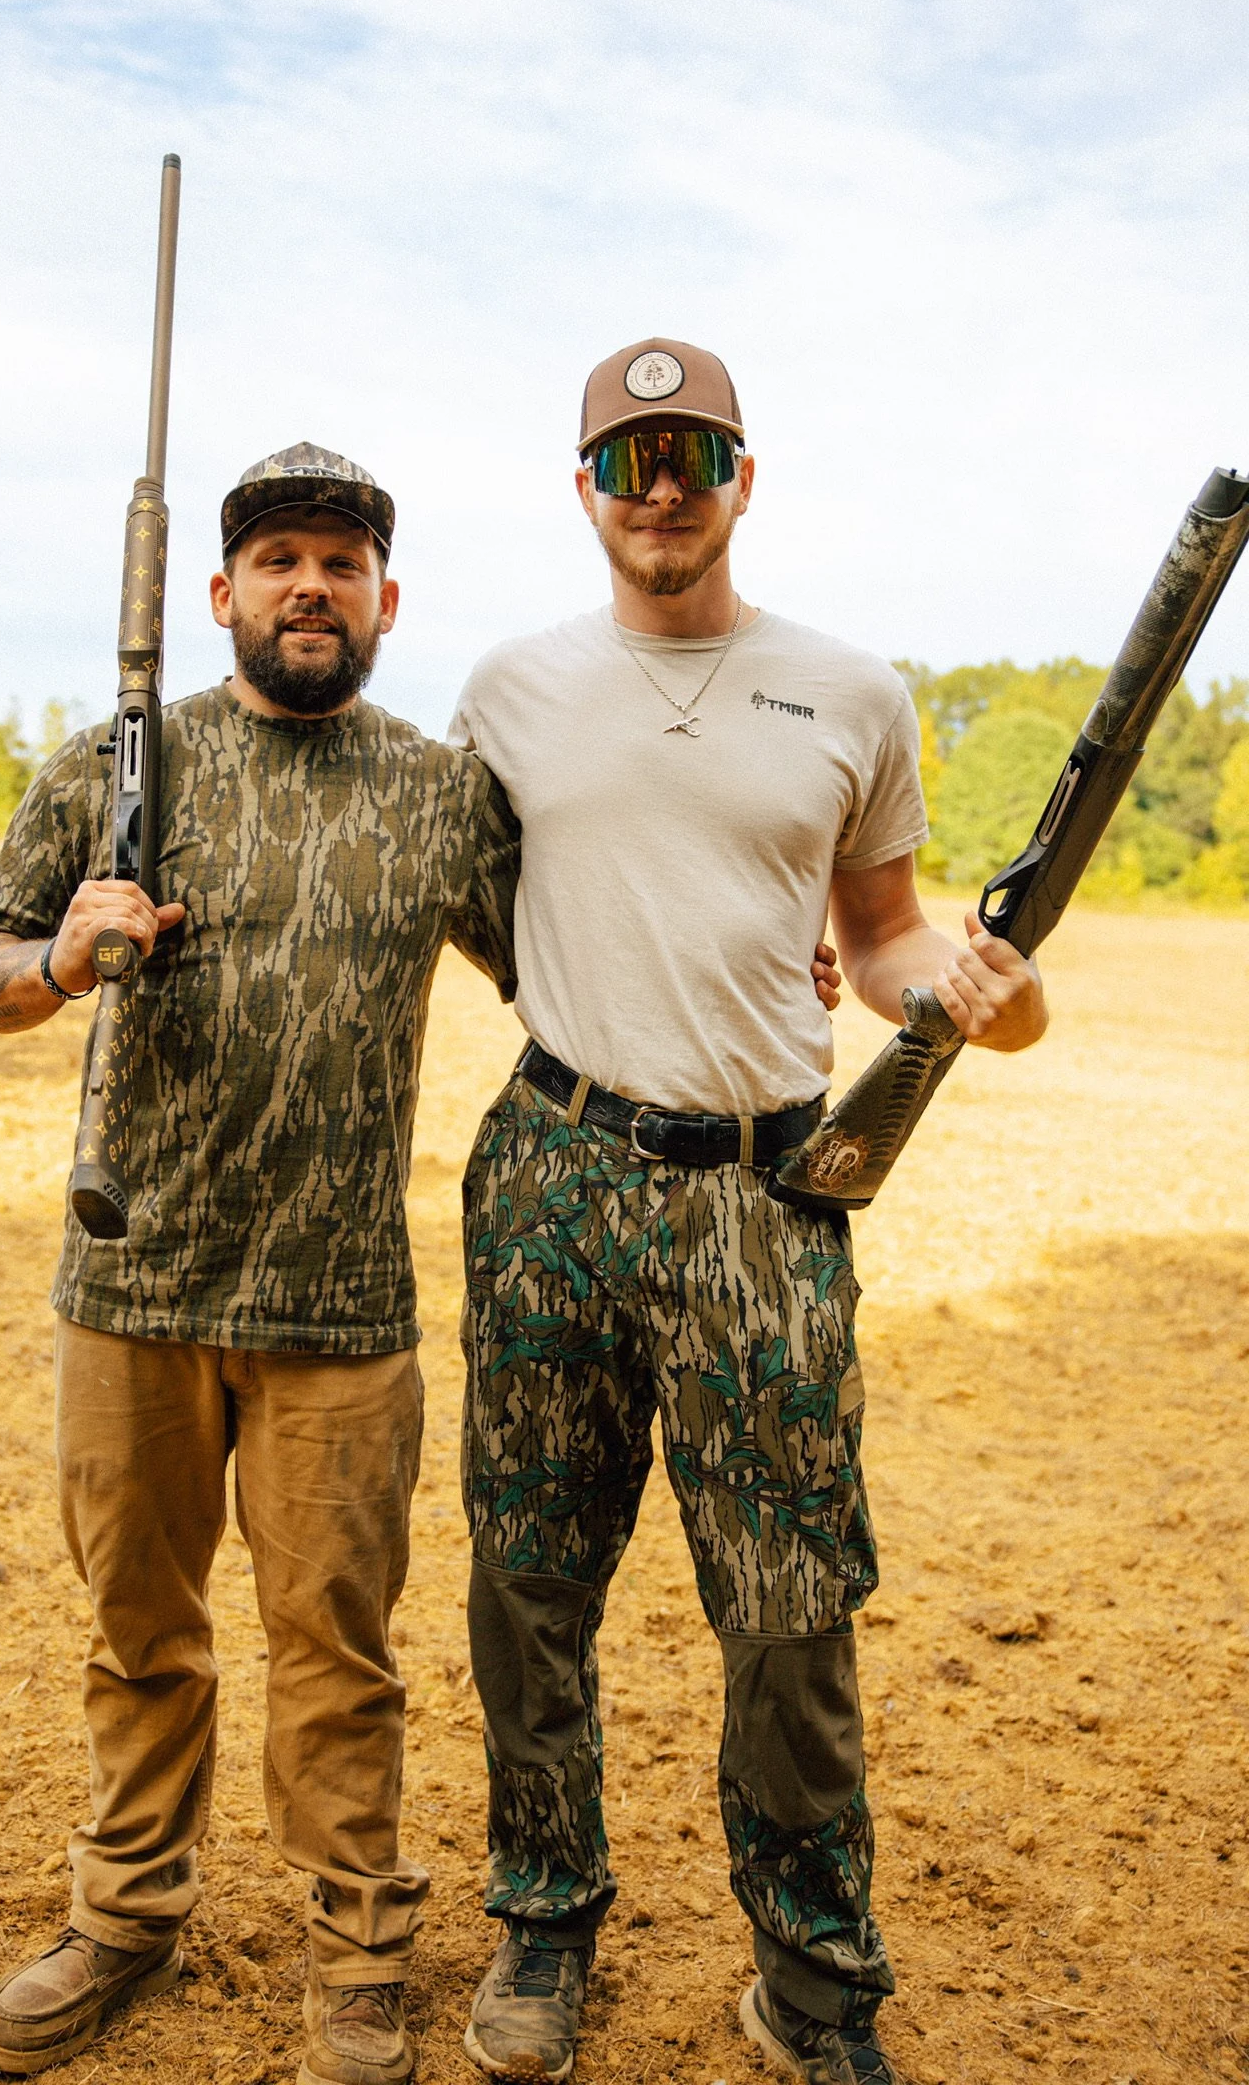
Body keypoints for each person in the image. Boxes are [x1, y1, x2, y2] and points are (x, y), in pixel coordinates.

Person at [448, 341, 1048, 2085]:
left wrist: (979, 995)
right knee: (529, 1579)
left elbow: (882, 937)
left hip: (766, 1194)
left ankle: (813, 1983)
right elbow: (477, 901)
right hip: (552, 1176)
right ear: (584, 491)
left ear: (742, 478)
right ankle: (544, 1924)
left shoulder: (851, 693)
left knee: (792, 1609)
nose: (662, 487)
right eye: (628, 459)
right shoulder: (509, 689)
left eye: (694, 454)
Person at [0, 445, 519, 2085]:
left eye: (343, 561)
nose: (311, 586)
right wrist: (63, 958)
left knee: (339, 1650)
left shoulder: (443, 791)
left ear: (387, 599)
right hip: (131, 1291)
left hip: (342, 1311)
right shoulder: (118, 764)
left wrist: (767, 952)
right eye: (279, 560)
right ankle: (124, 1918)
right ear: (220, 593)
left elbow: (568, 963)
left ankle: (359, 1955)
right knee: (139, 1630)